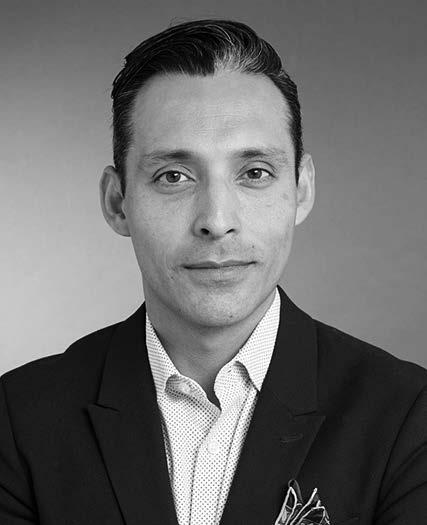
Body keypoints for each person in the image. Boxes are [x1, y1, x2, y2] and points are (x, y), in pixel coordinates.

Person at [1, 19, 426, 525]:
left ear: (301, 189)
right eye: (174, 176)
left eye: (255, 173)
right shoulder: (19, 420)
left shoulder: (407, 416)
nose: (217, 221)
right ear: (117, 202)